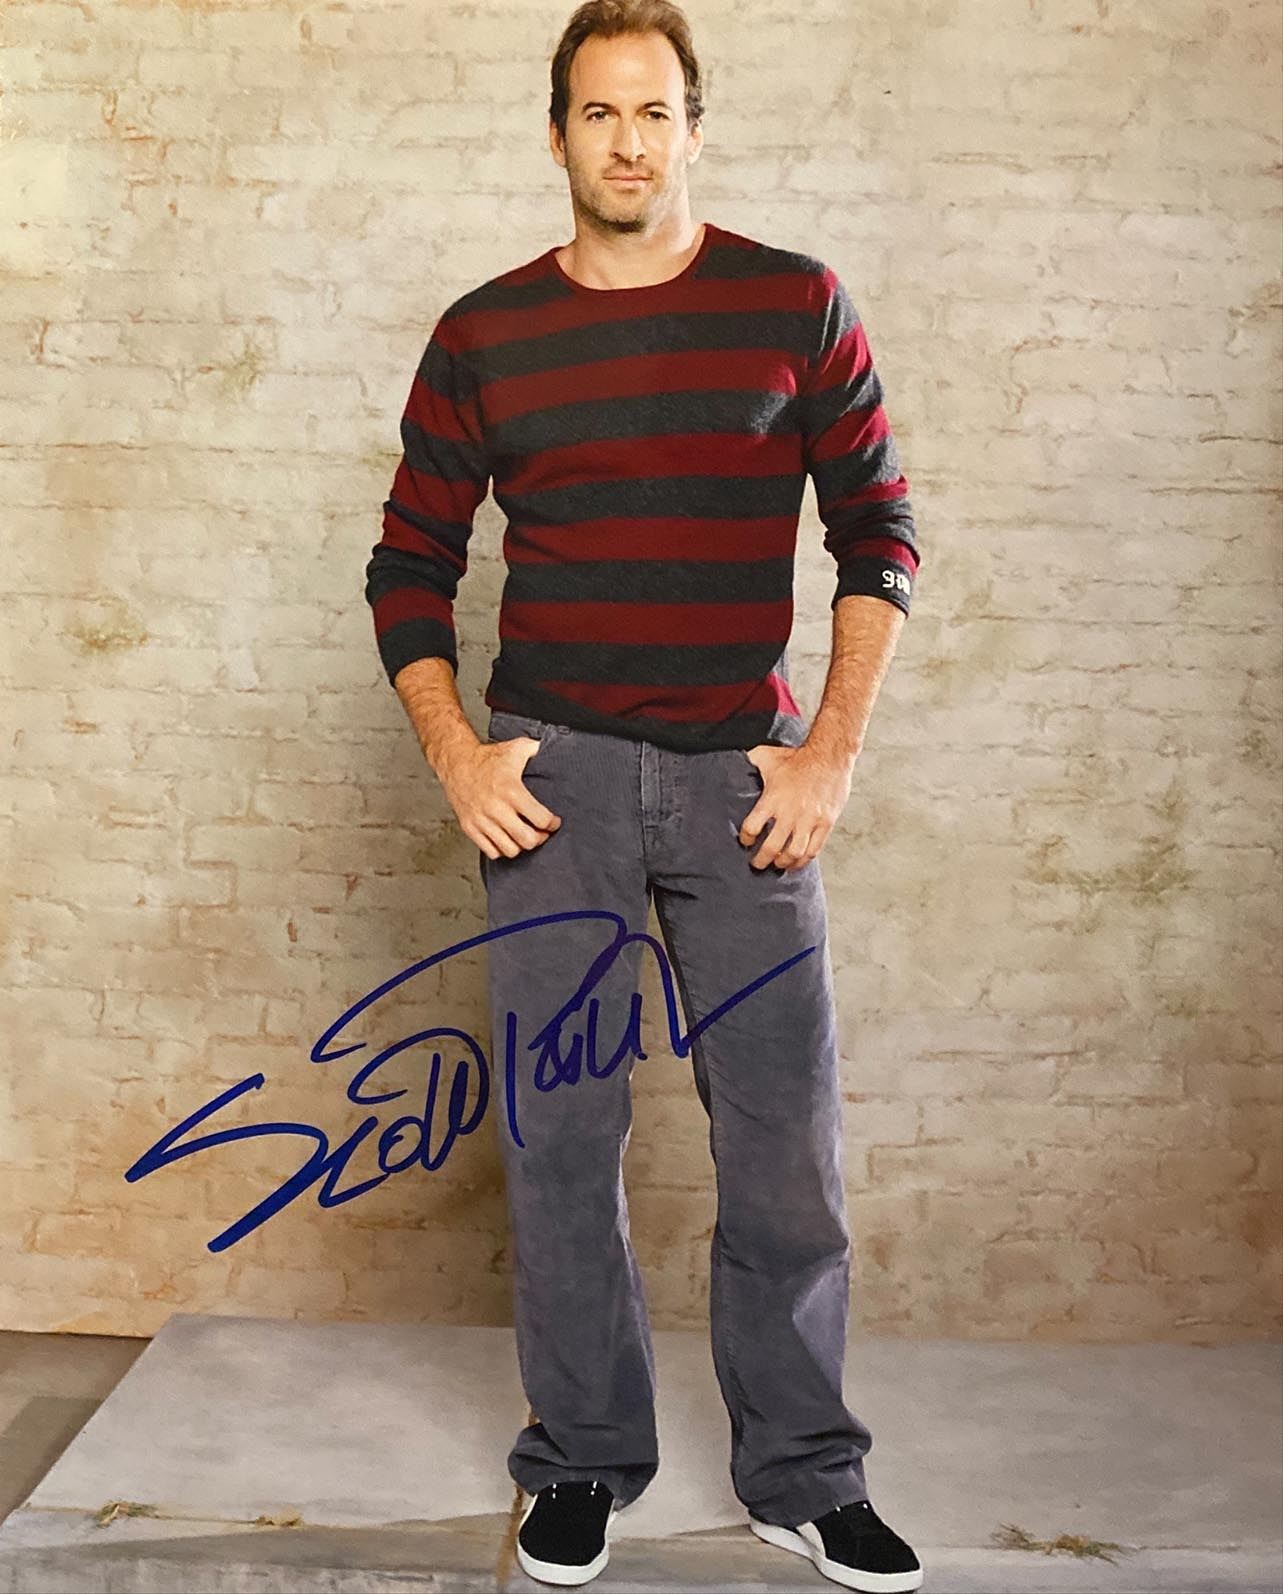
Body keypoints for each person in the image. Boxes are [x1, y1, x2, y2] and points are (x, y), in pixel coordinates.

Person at [364, 3, 925, 1588]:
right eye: (599, 114)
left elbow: (879, 531)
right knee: (560, 1134)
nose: (628, 142)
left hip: (748, 784)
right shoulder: (485, 333)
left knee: (786, 1142)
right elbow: (408, 564)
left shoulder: (795, 302)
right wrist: (456, 752)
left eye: (655, 112)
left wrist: (829, 752)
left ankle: (806, 1473)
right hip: (558, 785)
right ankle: (583, 1457)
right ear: (557, 133)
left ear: (693, 128)